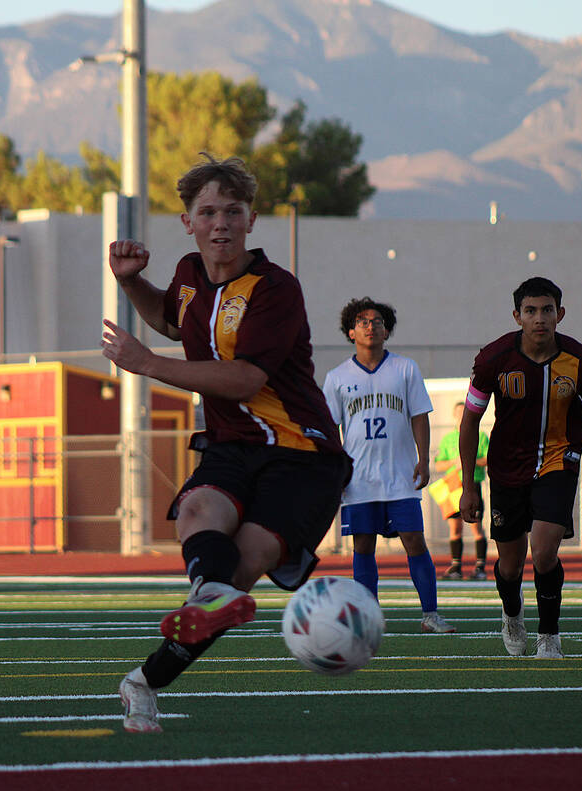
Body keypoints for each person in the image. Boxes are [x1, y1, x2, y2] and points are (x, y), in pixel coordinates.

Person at [101, 154, 352, 732]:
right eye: (207, 211)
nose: (220, 223)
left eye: (232, 211)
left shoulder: (275, 289)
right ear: (186, 221)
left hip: (302, 452)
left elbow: (244, 379)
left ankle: (144, 681)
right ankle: (203, 601)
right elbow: (172, 319)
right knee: (197, 512)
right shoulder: (189, 274)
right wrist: (131, 281)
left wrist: (149, 366)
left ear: (252, 219)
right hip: (232, 443)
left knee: (244, 566)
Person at [458, 276, 582, 659]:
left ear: (560, 314)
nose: (540, 318)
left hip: (558, 461)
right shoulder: (492, 359)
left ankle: (550, 635)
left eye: (547, 310)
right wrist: (468, 485)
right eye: (531, 311)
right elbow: (469, 421)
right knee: (510, 567)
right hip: (506, 469)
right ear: (517, 316)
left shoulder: (581, 361)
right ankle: (512, 614)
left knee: (544, 553)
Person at [322, 297, 454, 633]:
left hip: (399, 474)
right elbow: (329, 428)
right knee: (363, 544)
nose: (371, 326)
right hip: (359, 477)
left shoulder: (405, 368)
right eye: (363, 321)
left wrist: (423, 459)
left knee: (414, 539)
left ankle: (430, 615)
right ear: (351, 331)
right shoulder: (337, 377)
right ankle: (368, 618)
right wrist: (336, 469)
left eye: (378, 321)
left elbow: (419, 416)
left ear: (387, 330)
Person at [434, 401, 490, 580]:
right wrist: (454, 463)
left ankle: (480, 567)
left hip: (472, 484)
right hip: (453, 485)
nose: (460, 416)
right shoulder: (448, 439)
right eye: (458, 413)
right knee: (455, 527)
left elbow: (488, 458)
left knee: (476, 526)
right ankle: (455, 567)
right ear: (454, 415)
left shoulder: (480, 436)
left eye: (463, 412)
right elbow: (439, 463)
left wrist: (468, 460)